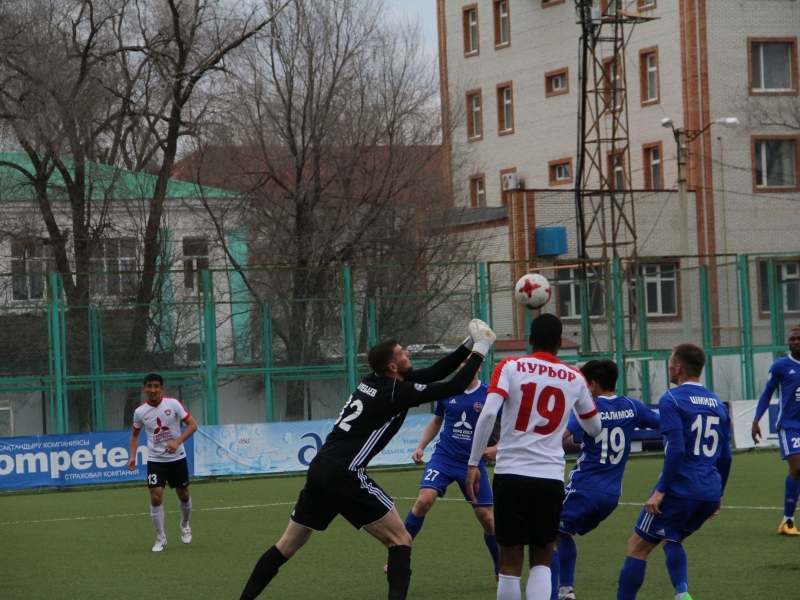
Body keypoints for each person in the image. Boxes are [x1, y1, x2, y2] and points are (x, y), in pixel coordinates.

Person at [239, 319, 497, 600]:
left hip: (320, 468)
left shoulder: (376, 380)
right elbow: (456, 384)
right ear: (393, 367)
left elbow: (436, 372)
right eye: (402, 352)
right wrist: (482, 347)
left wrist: (468, 345)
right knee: (401, 540)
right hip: (344, 472)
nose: (407, 352)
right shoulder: (395, 391)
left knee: (286, 546)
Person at [466, 313, 602, 600]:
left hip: (511, 475)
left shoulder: (509, 366)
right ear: (559, 343)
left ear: (530, 340)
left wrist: (473, 462)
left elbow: (489, 413)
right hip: (549, 478)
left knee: (509, 564)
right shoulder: (575, 377)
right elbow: (594, 427)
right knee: (542, 560)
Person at [616, 344, 732, 600]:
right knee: (673, 538)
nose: (669, 367)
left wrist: (660, 491)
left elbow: (677, 450)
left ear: (678, 368)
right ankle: (682, 593)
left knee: (636, 547)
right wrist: (719, 494)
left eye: (670, 363)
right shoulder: (718, 404)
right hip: (709, 491)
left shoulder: (672, 399)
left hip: (680, 489)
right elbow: (726, 456)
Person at [550, 359, 660, 600]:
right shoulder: (632, 406)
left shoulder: (588, 408)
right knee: (563, 534)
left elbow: (558, 437)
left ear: (591, 384)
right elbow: (663, 425)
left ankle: (552, 595)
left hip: (583, 489)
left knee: (546, 541)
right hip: (610, 497)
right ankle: (566, 591)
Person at [403, 362, 501, 579]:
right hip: (444, 458)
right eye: (463, 362)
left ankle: (499, 566)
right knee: (422, 501)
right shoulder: (448, 391)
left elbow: (510, 426)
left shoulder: (490, 394)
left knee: (487, 519)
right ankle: (398, 559)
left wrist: (497, 448)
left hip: (473, 464)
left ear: (479, 364)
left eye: (470, 362)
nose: (465, 366)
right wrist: (421, 446)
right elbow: (437, 421)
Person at [127, 373, 198, 552]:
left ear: (162, 388)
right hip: (155, 460)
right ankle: (160, 537)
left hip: (177, 458)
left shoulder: (173, 404)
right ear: (144, 389)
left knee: (183, 495)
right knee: (156, 495)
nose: (152, 389)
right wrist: (132, 456)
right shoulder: (140, 412)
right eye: (149, 386)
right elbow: (135, 435)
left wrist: (177, 442)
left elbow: (192, 425)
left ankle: (185, 524)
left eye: (156, 386)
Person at [751, 326, 800, 535]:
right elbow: (767, 394)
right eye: (792, 339)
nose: (795, 341)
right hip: (789, 425)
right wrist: (756, 420)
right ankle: (787, 521)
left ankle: (786, 522)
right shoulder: (781, 365)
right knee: (798, 468)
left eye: (798, 338)